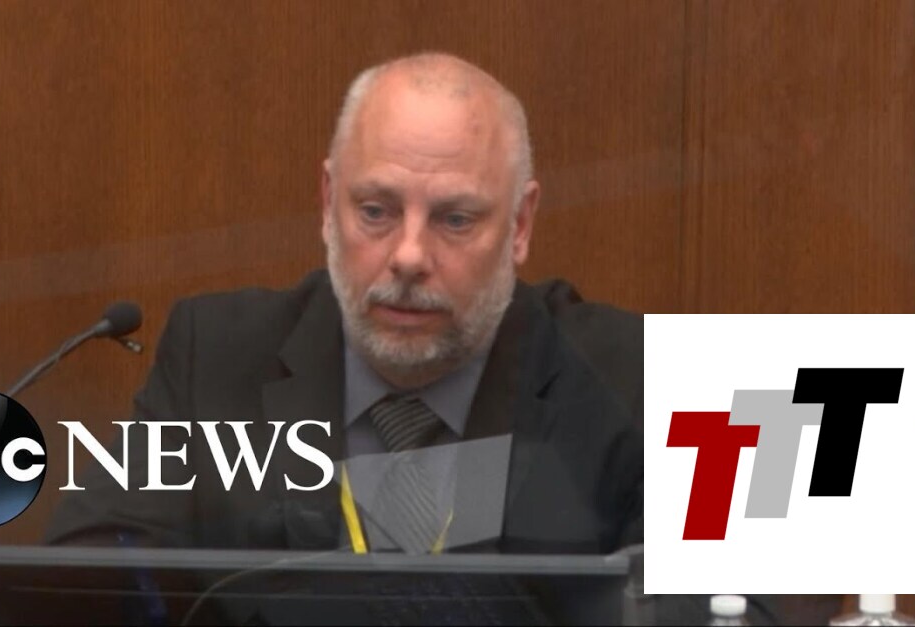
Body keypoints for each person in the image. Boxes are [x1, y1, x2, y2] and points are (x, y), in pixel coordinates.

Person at [46, 52, 643, 558]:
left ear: (520, 224)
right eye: (376, 211)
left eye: (456, 219)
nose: (409, 256)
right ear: (329, 204)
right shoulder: (215, 360)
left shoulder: (650, 384)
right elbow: (84, 580)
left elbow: (699, 606)